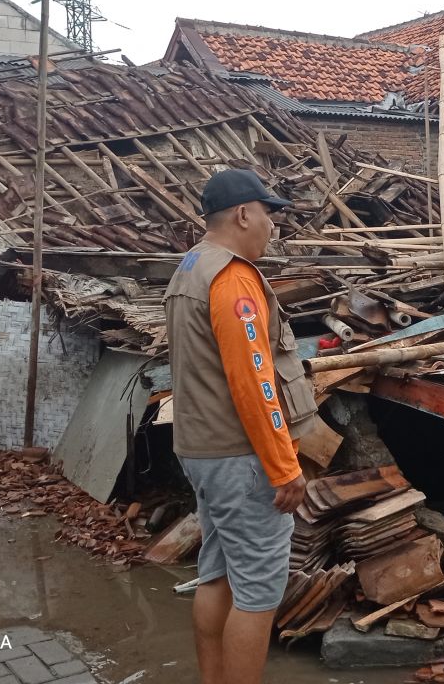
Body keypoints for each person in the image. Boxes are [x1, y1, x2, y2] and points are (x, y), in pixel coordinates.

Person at [164, 168, 321, 684]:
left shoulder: (190, 266)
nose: (272, 226)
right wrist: (283, 467)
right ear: (243, 214)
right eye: (269, 214)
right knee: (257, 594)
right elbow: (254, 382)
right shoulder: (232, 278)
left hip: (202, 450)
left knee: (218, 576)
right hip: (241, 459)